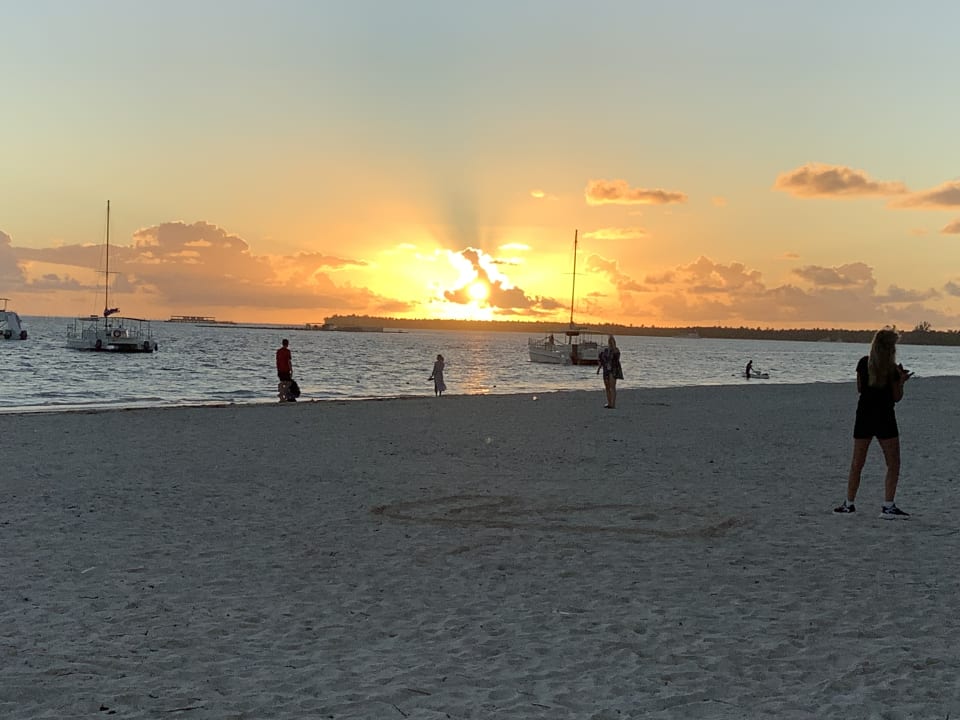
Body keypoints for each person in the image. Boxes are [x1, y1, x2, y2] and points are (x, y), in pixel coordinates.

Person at [834, 328, 913, 518]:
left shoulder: (864, 363)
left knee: (857, 462)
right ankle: (888, 505)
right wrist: (901, 381)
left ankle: (849, 503)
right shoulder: (892, 369)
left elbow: (860, 388)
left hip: (864, 416)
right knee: (893, 463)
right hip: (885, 417)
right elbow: (896, 397)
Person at [597, 335, 624, 409]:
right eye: (610, 341)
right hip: (606, 369)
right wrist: (599, 368)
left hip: (613, 370)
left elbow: (616, 356)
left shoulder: (616, 350)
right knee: (607, 387)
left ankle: (613, 404)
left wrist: (613, 345)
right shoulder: (605, 350)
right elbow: (602, 359)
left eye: (612, 341)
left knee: (612, 387)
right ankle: (609, 403)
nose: (611, 343)